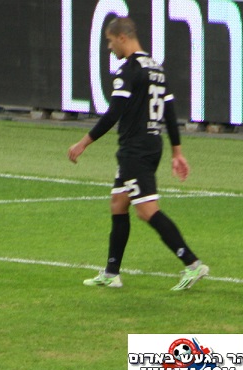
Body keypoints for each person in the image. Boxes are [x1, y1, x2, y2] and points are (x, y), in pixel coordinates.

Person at [68, 16, 208, 291]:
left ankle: (192, 264)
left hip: (135, 150)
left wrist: (83, 143)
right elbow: (169, 111)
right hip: (152, 144)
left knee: (146, 211)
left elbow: (114, 113)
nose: (109, 47)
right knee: (118, 203)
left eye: (110, 41)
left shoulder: (129, 70)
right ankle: (112, 273)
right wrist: (177, 152)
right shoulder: (156, 67)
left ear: (122, 37)